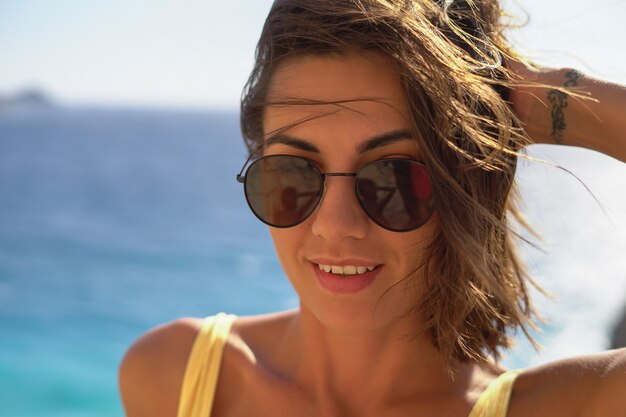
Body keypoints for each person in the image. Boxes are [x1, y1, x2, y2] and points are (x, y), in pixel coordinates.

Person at [119, 1, 626, 416]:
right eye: (293, 173)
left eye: (395, 176)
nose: (335, 225)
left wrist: (540, 101)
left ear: (465, 185)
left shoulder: (570, 406)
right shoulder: (175, 376)